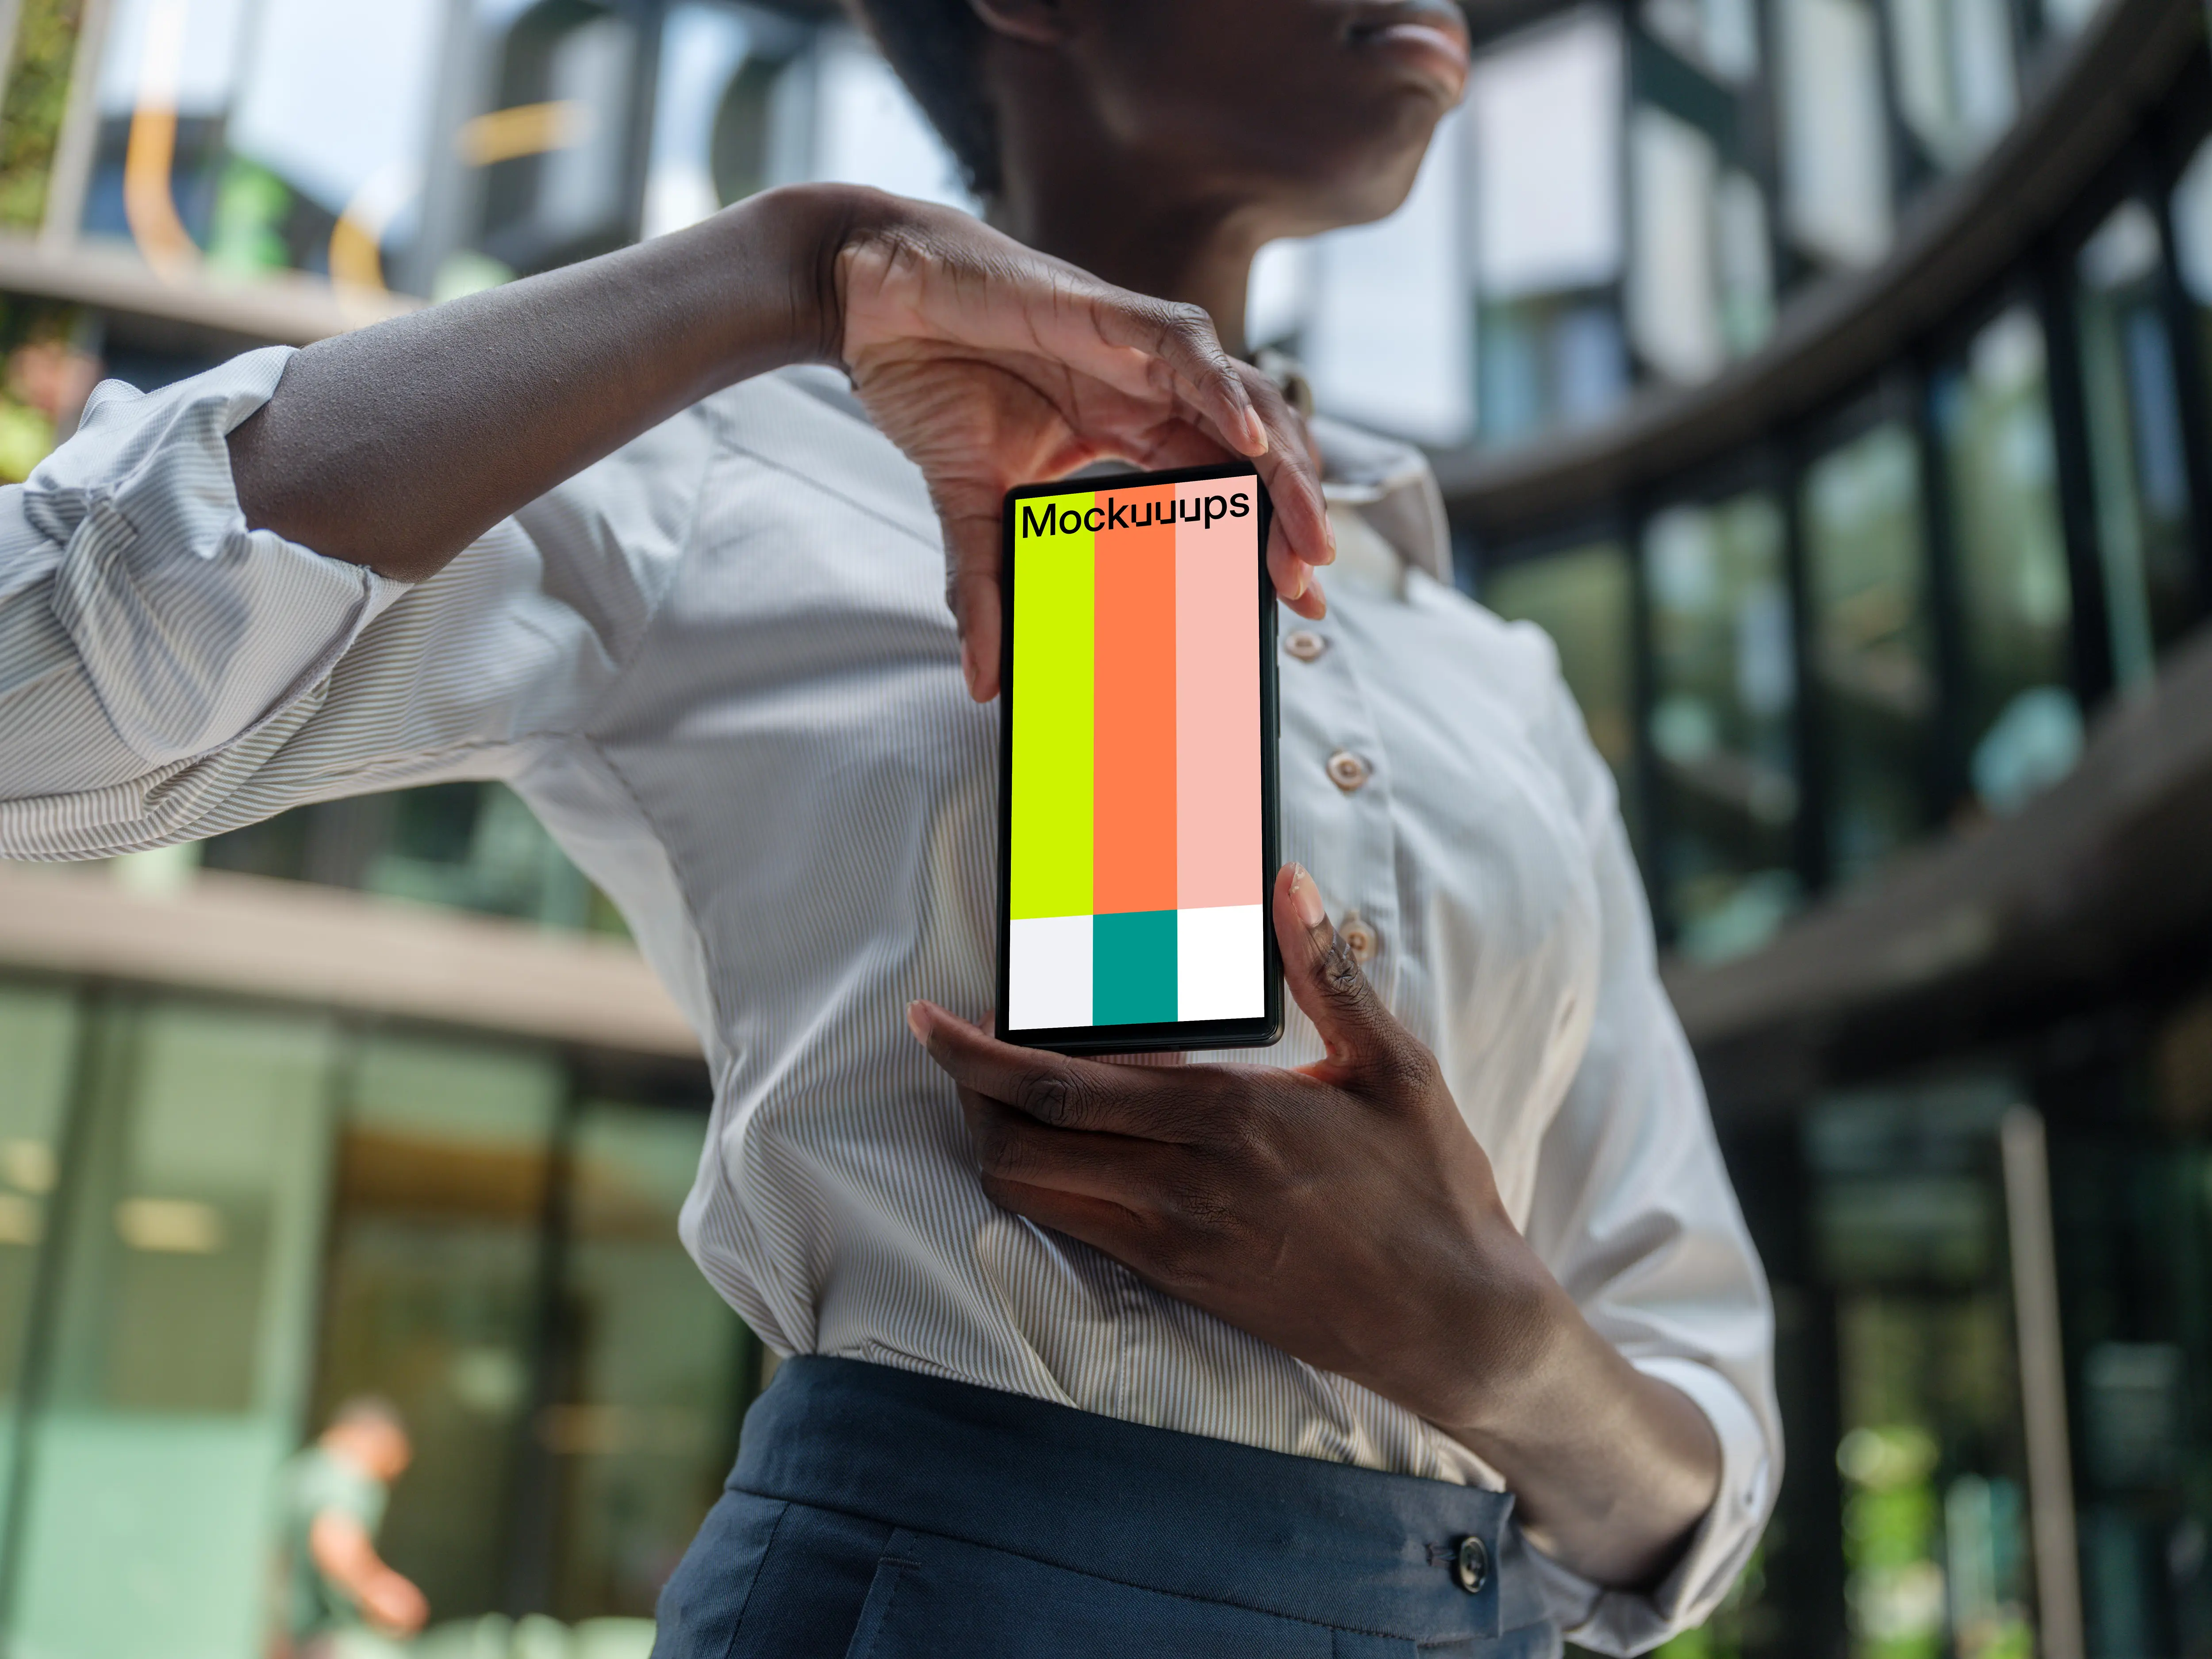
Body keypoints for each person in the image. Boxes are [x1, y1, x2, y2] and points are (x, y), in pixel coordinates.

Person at [0, 0, 1779, 1652]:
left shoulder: (1492, 674)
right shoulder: (726, 463)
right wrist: (787, 271)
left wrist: (1486, 1338)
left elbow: (1692, 1447)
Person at [280, 1399, 428, 1655]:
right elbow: (332, 1536)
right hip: (318, 1639)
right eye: (391, 1462)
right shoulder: (344, 1472)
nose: (389, 1477)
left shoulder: (305, 1469)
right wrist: (378, 1591)